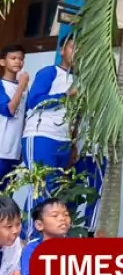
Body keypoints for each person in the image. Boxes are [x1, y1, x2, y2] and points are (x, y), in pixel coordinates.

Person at [21, 35, 75, 239]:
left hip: (63, 141)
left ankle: (46, 241)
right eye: (72, 47)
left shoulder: (77, 79)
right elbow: (34, 101)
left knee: (55, 192)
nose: (75, 53)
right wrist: (65, 96)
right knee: (39, 188)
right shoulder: (49, 72)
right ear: (62, 50)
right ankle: (28, 240)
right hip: (41, 135)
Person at [21, 198, 94, 275]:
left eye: (66, 215)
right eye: (55, 216)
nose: (62, 218)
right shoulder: (33, 249)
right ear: (39, 225)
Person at [0, 45, 28, 186]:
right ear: (2, 62)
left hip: (15, 152)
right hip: (1, 150)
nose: (18, 61)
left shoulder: (23, 89)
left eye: (21, 59)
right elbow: (9, 110)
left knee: (6, 196)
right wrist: (21, 87)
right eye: (13, 58)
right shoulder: (1, 85)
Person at [0, 197, 28, 275]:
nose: (15, 231)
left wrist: (18, 273)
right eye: (9, 226)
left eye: (18, 224)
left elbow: (12, 269)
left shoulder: (14, 244)